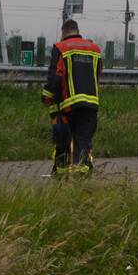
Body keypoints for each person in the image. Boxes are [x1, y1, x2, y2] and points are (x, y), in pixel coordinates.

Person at [41, 20, 102, 176]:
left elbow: (56, 76)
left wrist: (46, 96)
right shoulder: (94, 49)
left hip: (68, 106)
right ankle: (82, 175)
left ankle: (61, 176)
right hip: (91, 105)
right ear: (77, 30)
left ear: (64, 31)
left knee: (63, 142)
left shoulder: (61, 47)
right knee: (83, 141)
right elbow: (97, 74)